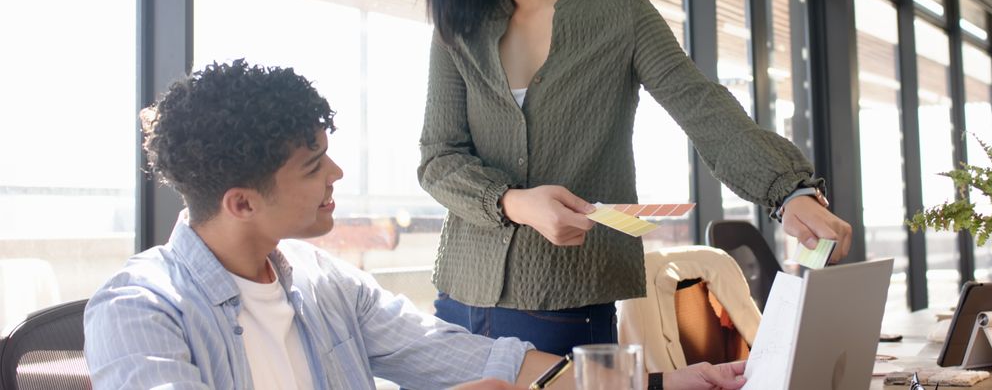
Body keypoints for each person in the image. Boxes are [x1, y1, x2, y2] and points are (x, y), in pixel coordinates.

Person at [405, 0, 854, 356]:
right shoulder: (458, 27)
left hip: (564, 303)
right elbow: (439, 159)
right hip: (458, 300)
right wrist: (516, 203)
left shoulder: (621, 10)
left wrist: (789, 191)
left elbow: (703, 107)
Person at [83, 59, 749, 389]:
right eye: (314, 165)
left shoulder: (322, 285)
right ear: (241, 203)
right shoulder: (138, 311)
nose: (337, 175)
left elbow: (488, 359)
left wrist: (657, 384)